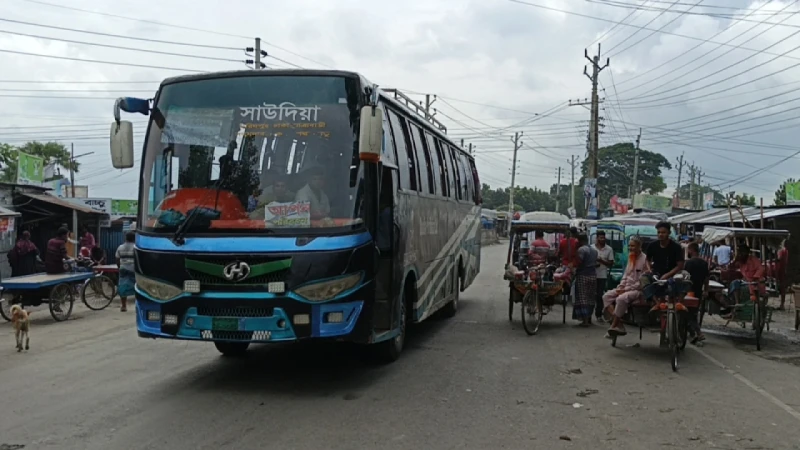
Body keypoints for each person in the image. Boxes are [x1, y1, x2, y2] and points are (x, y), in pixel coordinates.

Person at [603, 235, 650, 337]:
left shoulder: (645, 259)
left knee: (620, 299)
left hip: (637, 290)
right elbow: (626, 274)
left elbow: (643, 281)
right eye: (629, 246)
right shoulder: (631, 257)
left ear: (639, 246)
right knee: (606, 296)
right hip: (625, 288)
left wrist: (626, 290)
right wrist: (621, 286)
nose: (630, 248)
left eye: (633, 246)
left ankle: (613, 326)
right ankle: (619, 324)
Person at [684, 242, 708, 344]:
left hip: (689, 291)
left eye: (688, 250)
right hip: (699, 291)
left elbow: (685, 277)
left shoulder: (689, 263)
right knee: (693, 312)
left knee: (689, 313)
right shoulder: (704, 263)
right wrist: (706, 290)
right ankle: (693, 333)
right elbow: (707, 278)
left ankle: (698, 333)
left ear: (691, 250)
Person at [572, 233, 597, 327]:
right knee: (590, 297)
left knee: (583, 297)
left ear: (580, 240)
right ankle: (589, 318)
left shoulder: (581, 250)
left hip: (583, 275)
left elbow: (579, 262)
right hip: (593, 275)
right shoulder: (594, 251)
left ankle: (585, 321)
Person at [592, 230, 614, 323]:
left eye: (604, 237)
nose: (602, 239)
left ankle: (598, 314)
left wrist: (601, 261)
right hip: (591, 274)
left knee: (600, 295)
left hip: (602, 275)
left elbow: (610, 263)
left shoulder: (609, 249)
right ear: (597, 238)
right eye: (600, 237)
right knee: (591, 295)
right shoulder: (591, 248)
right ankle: (588, 315)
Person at [115, 231, 136, 312]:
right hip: (133, 269)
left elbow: (117, 259)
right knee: (137, 287)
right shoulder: (136, 247)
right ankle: (137, 305)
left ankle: (123, 306)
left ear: (126, 238)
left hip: (123, 268)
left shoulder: (120, 247)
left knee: (122, 286)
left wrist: (119, 267)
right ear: (134, 238)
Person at [776, 239, 789, 310]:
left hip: (781, 270)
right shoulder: (786, 251)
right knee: (783, 288)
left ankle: (782, 304)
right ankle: (782, 304)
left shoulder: (782, 251)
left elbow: (779, 259)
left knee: (782, 288)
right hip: (783, 270)